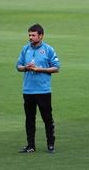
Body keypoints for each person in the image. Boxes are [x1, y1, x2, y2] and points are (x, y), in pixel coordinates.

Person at [16, 24, 60, 153]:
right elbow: (18, 66)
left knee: (47, 118)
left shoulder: (48, 49)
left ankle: (50, 144)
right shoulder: (25, 49)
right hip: (28, 90)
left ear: (41, 36)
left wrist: (40, 69)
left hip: (43, 90)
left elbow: (56, 68)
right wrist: (26, 67)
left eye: (33, 35)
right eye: (29, 35)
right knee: (29, 119)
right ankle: (31, 145)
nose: (30, 37)